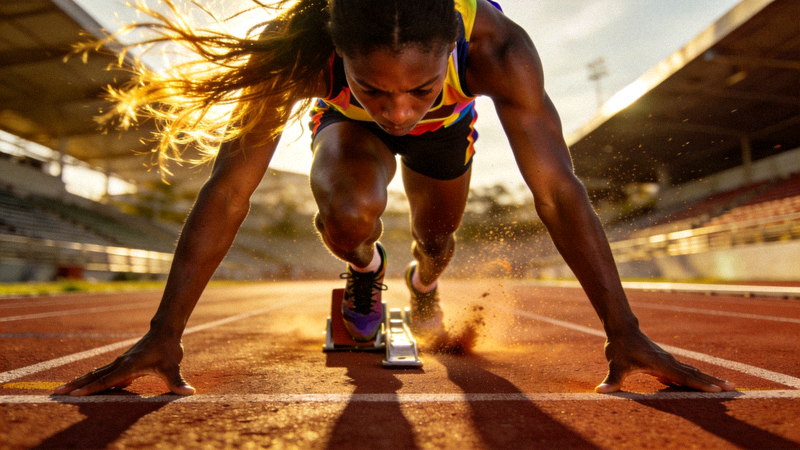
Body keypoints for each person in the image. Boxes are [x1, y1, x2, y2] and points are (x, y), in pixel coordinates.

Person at [55, 0, 734, 396]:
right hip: (345, 133)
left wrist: (627, 334)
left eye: (420, 86)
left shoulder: (499, 48)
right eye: (377, 87)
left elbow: (557, 192)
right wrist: (163, 336)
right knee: (350, 213)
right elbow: (230, 189)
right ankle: (366, 274)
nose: (401, 112)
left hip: (454, 136)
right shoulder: (296, 48)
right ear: (339, 52)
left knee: (437, 244)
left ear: (456, 49)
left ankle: (419, 281)